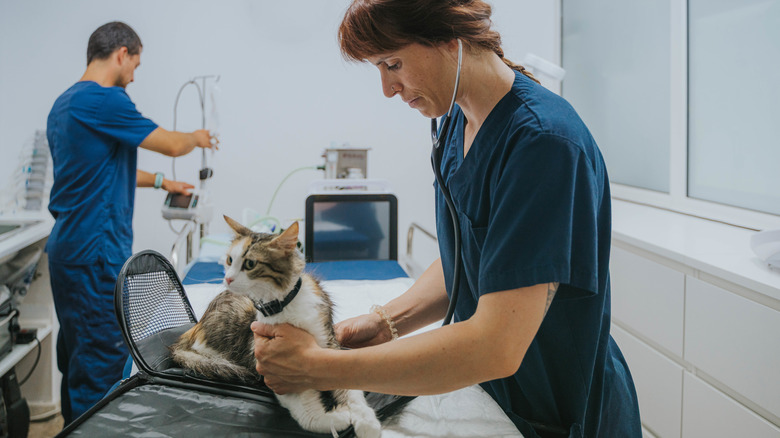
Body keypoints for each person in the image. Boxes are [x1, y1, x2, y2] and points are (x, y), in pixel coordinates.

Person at [251, 1, 641, 436]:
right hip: (493, 392)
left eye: (392, 64)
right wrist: (386, 322)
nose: (387, 88)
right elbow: (475, 255)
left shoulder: (542, 145)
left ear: (449, 40)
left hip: (554, 403)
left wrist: (322, 368)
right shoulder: (454, 119)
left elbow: (496, 346)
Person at [46, 21, 217, 424]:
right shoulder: (107, 100)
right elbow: (173, 144)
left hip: (66, 251)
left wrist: (162, 181)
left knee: (76, 354)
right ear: (122, 53)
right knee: (103, 360)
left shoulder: (63, 105)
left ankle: (74, 425)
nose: (135, 75)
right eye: (136, 64)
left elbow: (95, 168)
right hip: (96, 253)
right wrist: (198, 137)